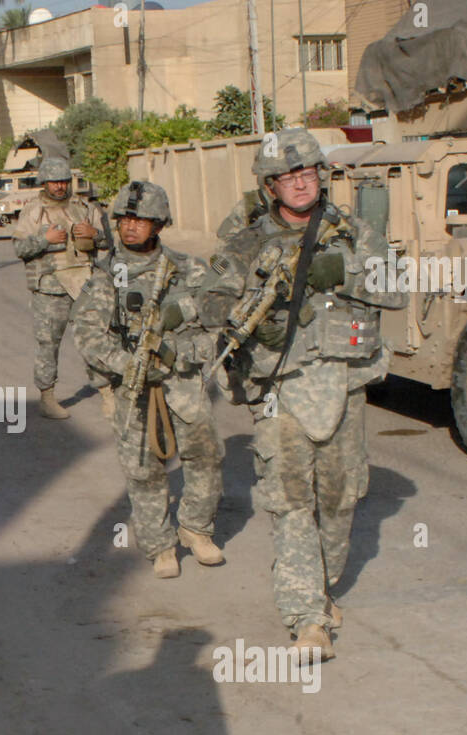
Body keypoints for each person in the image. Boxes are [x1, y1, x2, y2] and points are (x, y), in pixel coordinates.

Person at [201, 128, 405, 659]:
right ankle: (307, 620)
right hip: (279, 389)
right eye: (288, 176)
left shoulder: (354, 232)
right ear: (270, 185)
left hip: (344, 383)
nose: (300, 182)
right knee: (291, 503)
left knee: (340, 501)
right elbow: (209, 303)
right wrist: (248, 322)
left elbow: (397, 288)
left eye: (308, 172)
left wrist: (343, 271)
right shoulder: (246, 241)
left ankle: (321, 587)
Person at [73, 180, 224, 578]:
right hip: (133, 384)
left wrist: (182, 353)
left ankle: (196, 528)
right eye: (125, 219)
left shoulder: (187, 269)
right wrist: (127, 364)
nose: (131, 227)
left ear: (159, 224)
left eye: (141, 220)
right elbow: (88, 336)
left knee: (205, 455)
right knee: (143, 467)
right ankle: (160, 545)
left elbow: (213, 324)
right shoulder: (107, 274)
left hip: (183, 381)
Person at [13, 156, 114, 420]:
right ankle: (47, 397)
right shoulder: (33, 211)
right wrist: (43, 240)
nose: (59, 186)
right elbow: (19, 248)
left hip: (84, 284)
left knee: (94, 339)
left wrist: (95, 234)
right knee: (48, 344)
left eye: (63, 181)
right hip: (50, 286)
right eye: (54, 182)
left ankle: (107, 393)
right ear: (44, 183)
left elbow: (109, 243)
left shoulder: (84, 207)